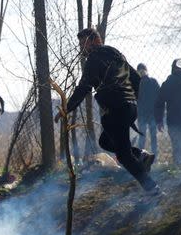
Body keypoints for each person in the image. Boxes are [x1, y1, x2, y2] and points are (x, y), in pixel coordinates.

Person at [65, 28, 158, 193]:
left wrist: (67, 108)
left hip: (116, 110)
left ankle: (153, 189)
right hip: (129, 108)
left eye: (83, 43)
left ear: (95, 40)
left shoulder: (94, 58)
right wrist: (133, 99)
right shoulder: (114, 53)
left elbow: (84, 86)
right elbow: (136, 78)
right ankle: (141, 155)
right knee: (105, 141)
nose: (82, 48)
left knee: (124, 156)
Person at [136, 63, 160, 156]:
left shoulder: (153, 82)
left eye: (143, 70)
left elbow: (159, 96)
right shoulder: (137, 83)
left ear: (146, 71)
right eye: (139, 71)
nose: (141, 72)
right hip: (142, 114)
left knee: (153, 136)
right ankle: (140, 155)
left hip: (152, 114)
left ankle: (154, 156)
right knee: (142, 137)